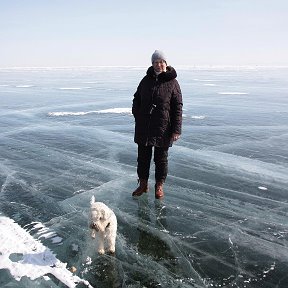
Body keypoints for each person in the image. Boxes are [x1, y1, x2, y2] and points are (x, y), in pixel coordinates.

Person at [132, 50, 183, 199]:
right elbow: (137, 98)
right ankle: (143, 185)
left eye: (161, 62)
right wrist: (137, 113)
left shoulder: (172, 83)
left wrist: (176, 129)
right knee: (142, 158)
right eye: (155, 62)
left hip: (163, 127)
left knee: (161, 159)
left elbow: (178, 106)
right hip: (144, 126)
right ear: (152, 64)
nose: (158, 64)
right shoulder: (146, 80)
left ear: (166, 64)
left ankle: (159, 186)